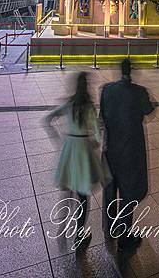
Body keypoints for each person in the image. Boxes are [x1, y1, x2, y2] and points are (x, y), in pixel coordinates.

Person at [47, 71, 109, 250]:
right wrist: (96, 142)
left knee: (67, 191)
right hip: (83, 149)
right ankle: (79, 233)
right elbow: (96, 132)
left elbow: (48, 119)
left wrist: (58, 139)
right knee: (83, 195)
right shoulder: (89, 106)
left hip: (70, 147)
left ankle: (62, 227)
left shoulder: (69, 103)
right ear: (87, 86)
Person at [100, 58, 154, 252]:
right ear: (132, 72)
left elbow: (103, 115)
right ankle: (124, 235)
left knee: (110, 188)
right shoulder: (139, 92)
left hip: (110, 146)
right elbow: (150, 110)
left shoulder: (107, 90)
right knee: (128, 191)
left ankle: (109, 226)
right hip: (130, 150)